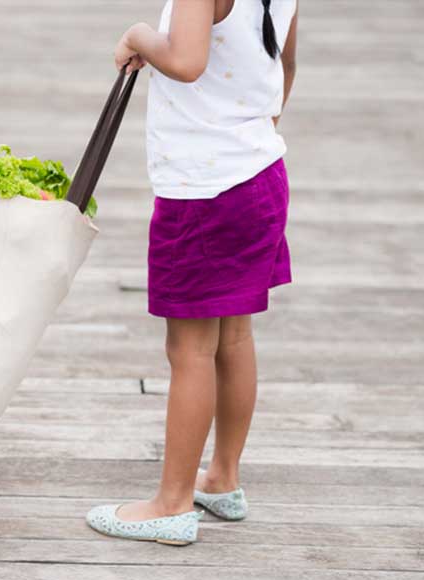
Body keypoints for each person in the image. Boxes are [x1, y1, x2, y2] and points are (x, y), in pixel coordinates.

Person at [86, 0, 298, 545]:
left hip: (204, 194)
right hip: (259, 174)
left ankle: (172, 502)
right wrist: (245, 137)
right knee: (235, 338)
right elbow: (286, 67)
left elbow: (184, 60)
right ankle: (222, 478)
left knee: (191, 351)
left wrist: (137, 34)